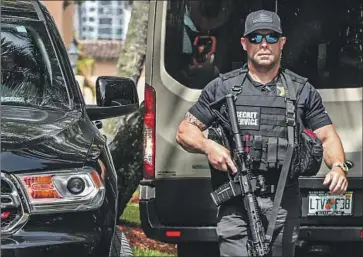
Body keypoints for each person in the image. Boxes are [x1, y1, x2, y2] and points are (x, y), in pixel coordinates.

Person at [175, 9, 349, 257]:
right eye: (256, 38)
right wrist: (207, 145)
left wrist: (339, 167)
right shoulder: (223, 88)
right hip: (235, 203)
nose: (264, 44)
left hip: (282, 204)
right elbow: (185, 130)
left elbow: (327, 136)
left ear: (282, 43)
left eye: (271, 37)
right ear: (245, 43)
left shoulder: (301, 91)